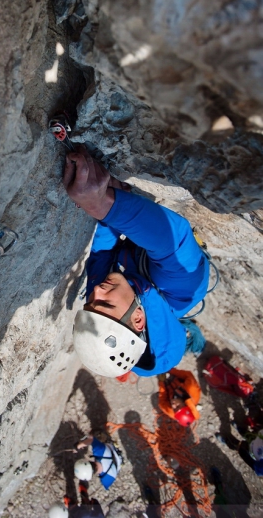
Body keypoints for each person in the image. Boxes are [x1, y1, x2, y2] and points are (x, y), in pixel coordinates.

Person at [63, 145, 209, 377]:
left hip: (136, 258)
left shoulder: (105, 297)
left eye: (89, 303)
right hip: (167, 255)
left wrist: (111, 210)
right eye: (104, 304)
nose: (97, 291)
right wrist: (103, 204)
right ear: (138, 319)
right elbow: (174, 239)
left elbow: (101, 255)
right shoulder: (185, 288)